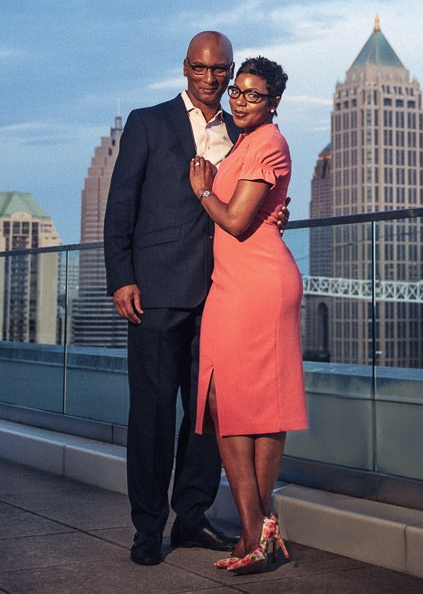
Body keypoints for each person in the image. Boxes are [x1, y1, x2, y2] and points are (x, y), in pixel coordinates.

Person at [104, 31, 242, 565]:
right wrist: (122, 277)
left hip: (220, 293)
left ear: (229, 72)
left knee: (209, 413)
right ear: (185, 68)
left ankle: (192, 519)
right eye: (202, 68)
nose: (211, 79)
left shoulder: (239, 130)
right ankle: (147, 528)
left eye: (220, 70)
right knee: (153, 415)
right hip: (156, 293)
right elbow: (121, 207)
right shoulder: (148, 122)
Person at [188, 56, 307, 575]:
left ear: (274, 102)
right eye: (237, 90)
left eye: (252, 95)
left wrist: (204, 191)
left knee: (236, 403)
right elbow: (262, 207)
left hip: (256, 284)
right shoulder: (247, 142)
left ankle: (253, 531)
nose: (238, 99)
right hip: (238, 283)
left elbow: (236, 221)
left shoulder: (267, 142)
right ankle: (258, 532)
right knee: (244, 407)